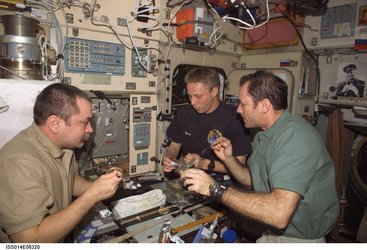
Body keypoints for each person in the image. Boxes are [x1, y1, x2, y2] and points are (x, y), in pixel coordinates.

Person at [181, 70, 339, 243]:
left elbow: (278, 214)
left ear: (264, 106)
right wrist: (228, 159)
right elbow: (252, 179)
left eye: (243, 104)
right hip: (271, 233)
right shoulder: (264, 134)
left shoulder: (295, 137)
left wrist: (214, 188)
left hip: (297, 239)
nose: (238, 110)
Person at [0, 83, 123, 243]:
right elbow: (29, 241)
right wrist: (92, 196)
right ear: (55, 124)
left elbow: (67, 180)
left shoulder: (62, 148)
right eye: (85, 122)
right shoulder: (19, 162)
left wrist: (101, 186)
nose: (90, 130)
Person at [163, 66, 251, 176]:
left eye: (198, 96)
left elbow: (240, 166)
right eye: (190, 96)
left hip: (220, 181)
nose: (193, 102)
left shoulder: (236, 119)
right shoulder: (184, 113)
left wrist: (203, 163)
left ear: (214, 91)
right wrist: (170, 158)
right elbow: (175, 146)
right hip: (189, 176)